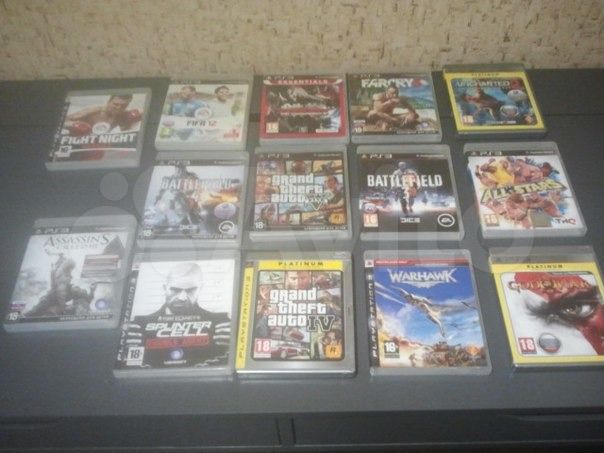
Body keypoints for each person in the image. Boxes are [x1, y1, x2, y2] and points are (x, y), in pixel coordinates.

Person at [26, 254, 95, 317]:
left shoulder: (73, 290)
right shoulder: (50, 295)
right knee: (39, 308)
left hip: (62, 309)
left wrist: (92, 290)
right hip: (51, 304)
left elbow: (87, 300)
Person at [64, 94, 141, 133]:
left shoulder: (125, 115)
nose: (119, 108)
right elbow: (63, 120)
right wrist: (73, 125)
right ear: (109, 102)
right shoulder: (93, 111)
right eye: (115, 104)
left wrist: (138, 114)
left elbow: (144, 112)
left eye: (123, 106)